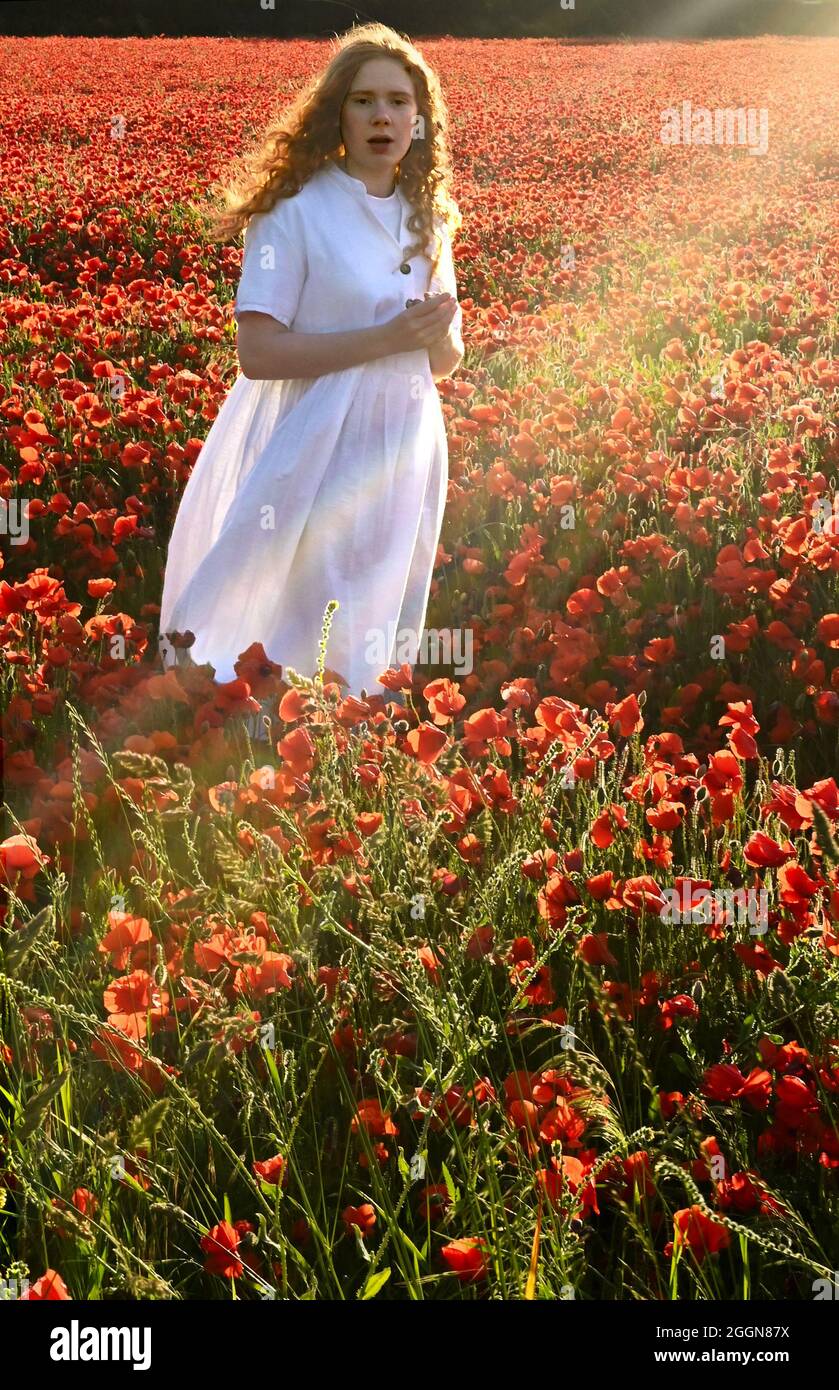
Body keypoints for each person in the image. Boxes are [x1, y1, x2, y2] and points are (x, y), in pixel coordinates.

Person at [157, 22, 464, 723]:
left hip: (401, 446)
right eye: (363, 101)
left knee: (371, 600)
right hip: (313, 436)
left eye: (397, 101)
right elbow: (258, 353)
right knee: (304, 595)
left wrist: (432, 335)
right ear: (338, 113)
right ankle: (257, 744)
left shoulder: (427, 219)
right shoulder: (295, 212)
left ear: (419, 119)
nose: (381, 116)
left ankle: (337, 746)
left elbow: (445, 359)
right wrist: (383, 336)